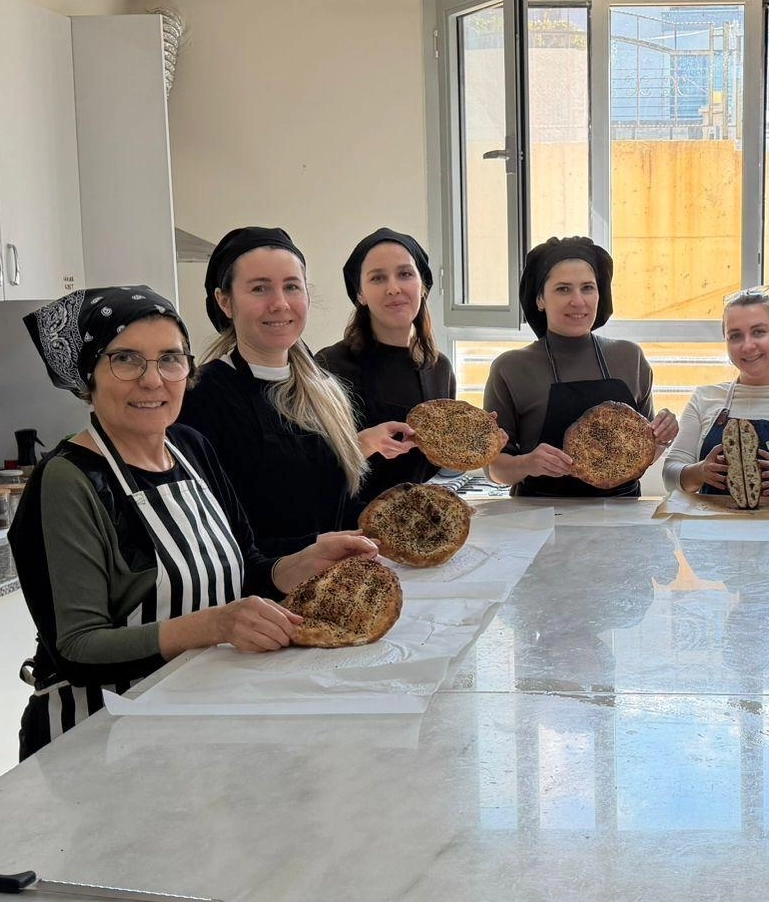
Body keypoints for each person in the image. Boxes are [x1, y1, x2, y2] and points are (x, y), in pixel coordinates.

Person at [12, 286, 377, 759]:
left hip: (198, 722)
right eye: (125, 359)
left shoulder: (190, 447)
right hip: (99, 740)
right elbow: (79, 650)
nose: (153, 380)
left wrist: (303, 562)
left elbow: (244, 567)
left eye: (170, 359)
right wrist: (217, 625)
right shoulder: (68, 479)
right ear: (90, 376)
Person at [179, 227, 411, 555]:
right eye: (260, 288)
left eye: (291, 286)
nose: (280, 303)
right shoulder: (203, 396)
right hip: (267, 585)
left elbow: (338, 501)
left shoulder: (323, 387)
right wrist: (309, 550)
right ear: (225, 302)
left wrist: (397, 526)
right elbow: (215, 536)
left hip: (341, 575)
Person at [482, 236, 678, 496]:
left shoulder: (629, 357)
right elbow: (494, 468)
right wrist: (527, 463)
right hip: (541, 513)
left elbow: (644, 453)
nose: (578, 301)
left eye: (587, 288)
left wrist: (663, 436)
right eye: (563, 289)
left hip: (622, 512)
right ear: (540, 299)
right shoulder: (511, 368)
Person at [316, 228, 456, 525]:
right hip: (345, 529)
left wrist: (469, 446)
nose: (393, 288)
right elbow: (308, 467)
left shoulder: (438, 368)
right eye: (378, 278)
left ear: (423, 286)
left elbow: (433, 464)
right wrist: (364, 444)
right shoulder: (330, 365)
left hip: (412, 525)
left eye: (405, 274)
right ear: (360, 294)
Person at [662, 286, 769, 499]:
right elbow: (669, 475)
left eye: (759, 332)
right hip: (713, 520)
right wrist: (699, 472)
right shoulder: (704, 398)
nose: (747, 346)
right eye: (735, 336)